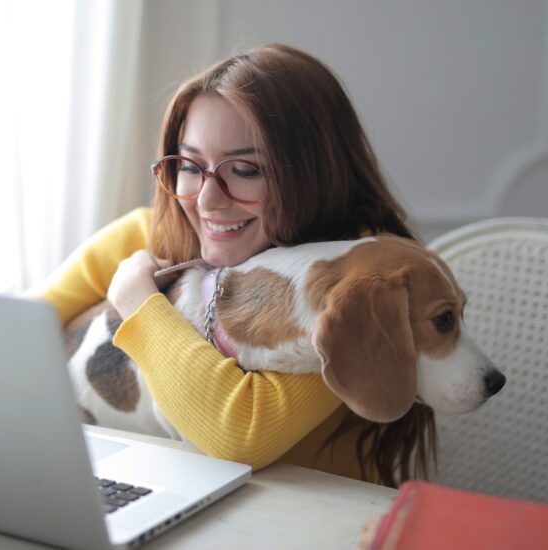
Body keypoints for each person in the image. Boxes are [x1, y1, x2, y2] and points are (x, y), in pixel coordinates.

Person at [29, 43, 434, 487]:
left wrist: (138, 302)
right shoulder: (144, 238)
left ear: (315, 175)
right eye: (189, 164)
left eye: (244, 170)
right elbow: (4, 335)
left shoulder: (351, 288)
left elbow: (240, 436)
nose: (207, 200)